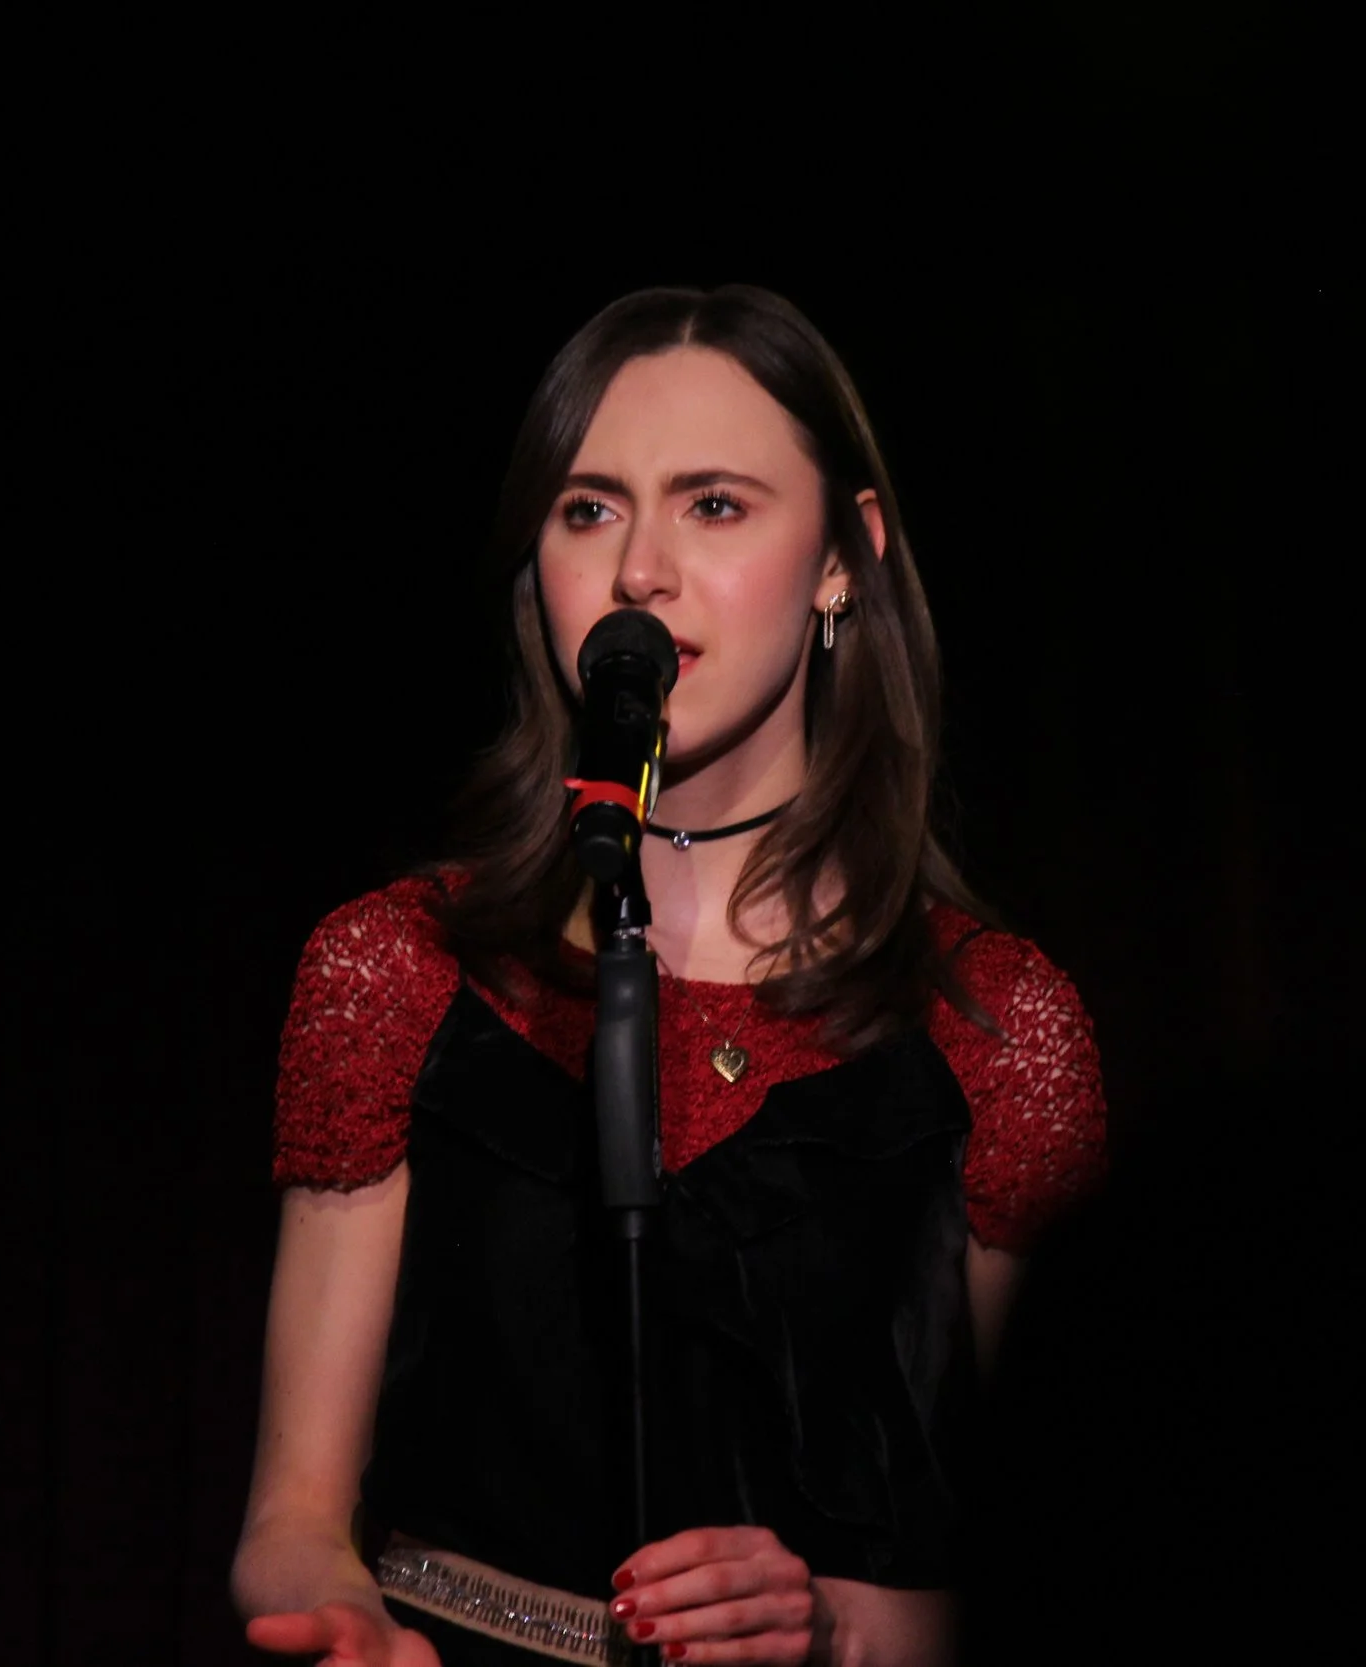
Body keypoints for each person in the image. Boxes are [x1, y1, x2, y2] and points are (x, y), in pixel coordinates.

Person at [232, 286, 1107, 1667]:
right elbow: (290, 1518)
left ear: (845, 558)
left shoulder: (995, 1025)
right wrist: (341, 1616)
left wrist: (834, 1626)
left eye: (714, 505)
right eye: (589, 509)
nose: (640, 569)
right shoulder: (397, 965)